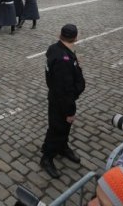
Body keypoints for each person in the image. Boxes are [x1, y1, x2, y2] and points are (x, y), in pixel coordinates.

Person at [40, 24, 85, 179]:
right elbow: (64, 90)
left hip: (58, 96)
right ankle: (47, 157)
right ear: (75, 37)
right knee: (57, 128)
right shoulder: (63, 60)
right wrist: (70, 111)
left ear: (60, 35)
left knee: (63, 128)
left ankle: (62, 147)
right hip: (62, 101)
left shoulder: (56, 48)